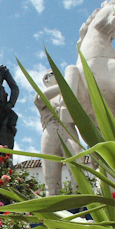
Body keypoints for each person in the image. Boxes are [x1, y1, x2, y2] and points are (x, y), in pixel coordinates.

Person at [34, 69, 83, 197]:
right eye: (52, 73)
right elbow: (40, 99)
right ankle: (53, 206)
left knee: (78, 168)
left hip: (68, 128)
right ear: (46, 79)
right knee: (51, 179)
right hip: (50, 131)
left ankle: (81, 203)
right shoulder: (44, 94)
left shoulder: (71, 95)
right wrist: (66, 85)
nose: (56, 75)